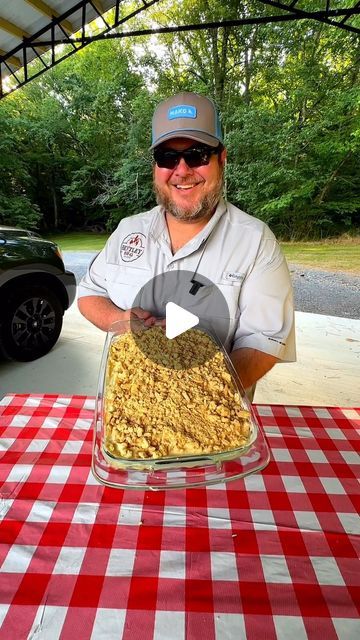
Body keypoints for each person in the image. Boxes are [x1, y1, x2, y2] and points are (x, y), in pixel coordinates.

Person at [78, 91, 296, 397]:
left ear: (222, 159)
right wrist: (121, 320)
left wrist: (195, 396)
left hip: (209, 417)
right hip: (127, 412)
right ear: (155, 166)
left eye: (197, 154)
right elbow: (89, 294)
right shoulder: (128, 230)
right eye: (167, 157)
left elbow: (265, 341)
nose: (182, 170)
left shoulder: (257, 242)